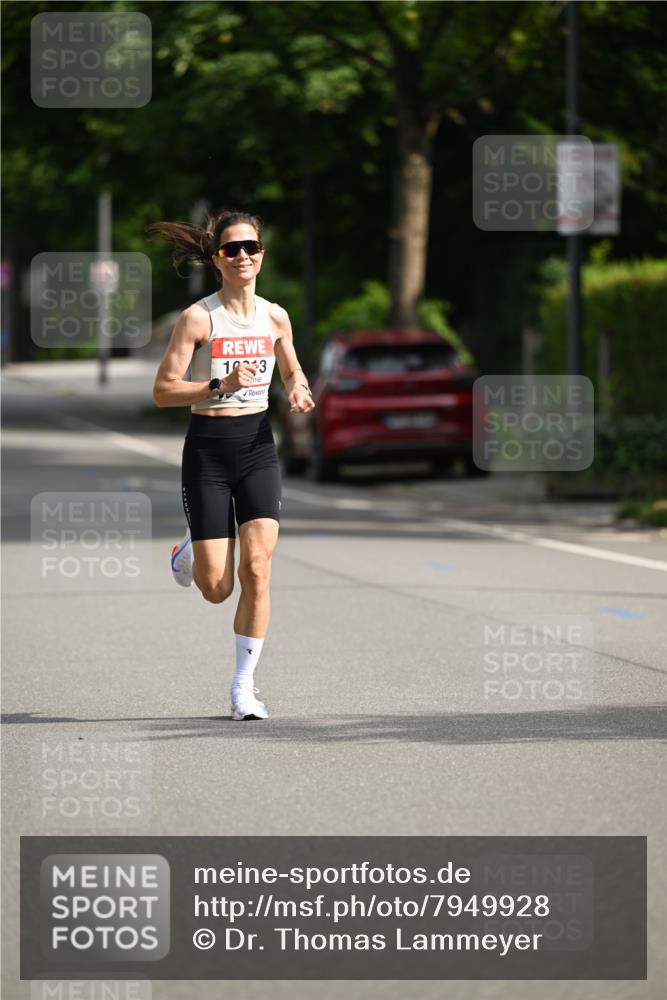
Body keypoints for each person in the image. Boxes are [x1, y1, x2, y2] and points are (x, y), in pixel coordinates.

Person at [147, 209, 315, 720]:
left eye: (251, 247)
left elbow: (291, 367)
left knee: (258, 568)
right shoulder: (199, 318)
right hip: (208, 451)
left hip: (258, 447)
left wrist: (301, 390)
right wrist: (220, 384)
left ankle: (244, 687)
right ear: (218, 259)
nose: (243, 255)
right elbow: (162, 391)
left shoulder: (275, 316)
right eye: (231, 249)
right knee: (217, 588)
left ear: (262, 253)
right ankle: (189, 552)